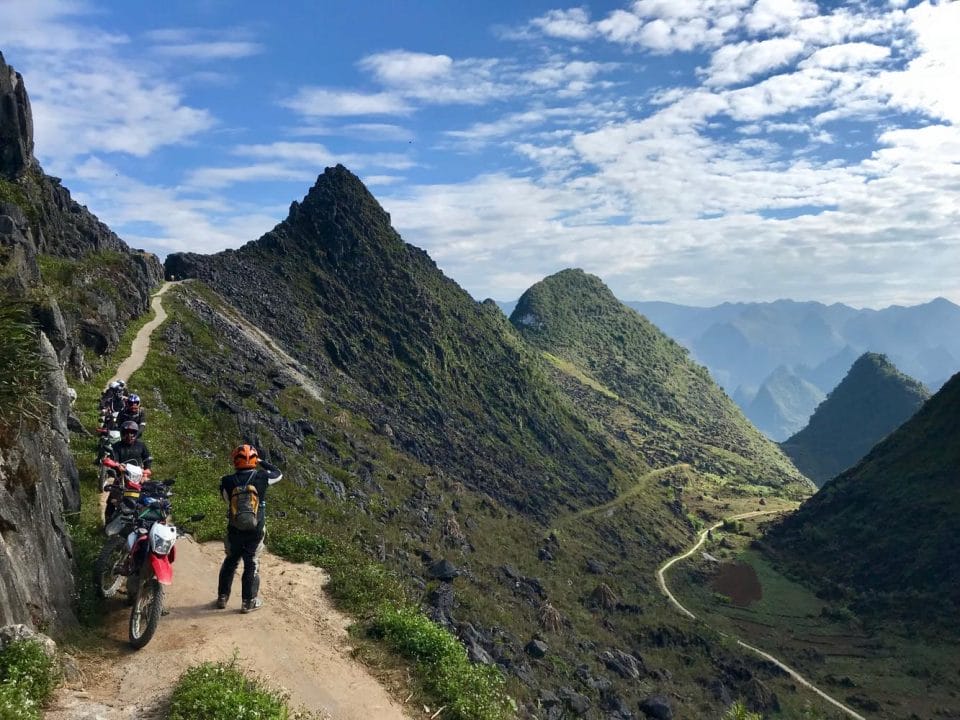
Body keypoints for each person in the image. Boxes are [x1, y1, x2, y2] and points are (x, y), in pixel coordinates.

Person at [216, 444, 282, 613]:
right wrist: (262, 462)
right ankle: (248, 602)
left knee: (230, 561)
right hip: (256, 529)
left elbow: (226, 500)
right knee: (251, 563)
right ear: (253, 460)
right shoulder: (262, 477)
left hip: (234, 529)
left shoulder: (226, 480)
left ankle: (222, 598)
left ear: (235, 461)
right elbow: (278, 474)